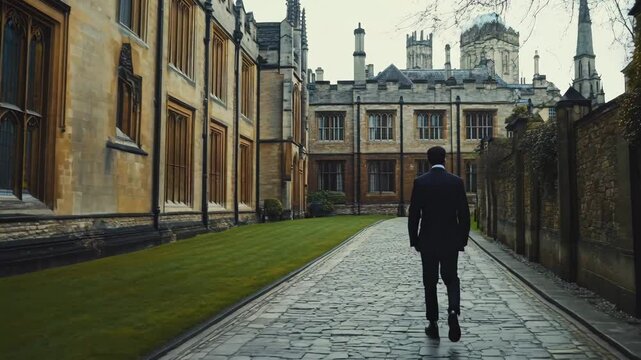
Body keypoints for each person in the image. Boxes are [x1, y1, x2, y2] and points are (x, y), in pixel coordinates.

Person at [408, 146, 470, 342]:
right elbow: (465, 215)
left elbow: (414, 214)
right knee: (451, 278)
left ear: (428, 160)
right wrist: (462, 240)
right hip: (451, 240)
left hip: (428, 241)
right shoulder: (456, 182)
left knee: (430, 281)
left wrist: (414, 240)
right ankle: (452, 311)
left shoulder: (420, 182)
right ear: (445, 160)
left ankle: (433, 323)